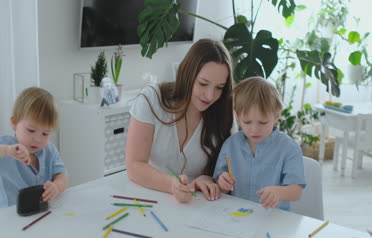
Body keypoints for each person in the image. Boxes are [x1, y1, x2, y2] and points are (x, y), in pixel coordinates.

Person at [126, 39, 234, 203]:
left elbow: (221, 173)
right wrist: (171, 185)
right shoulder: (152, 99)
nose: (210, 96)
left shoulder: (223, 114)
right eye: (203, 84)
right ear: (187, 74)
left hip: (195, 206)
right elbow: (135, 165)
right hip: (147, 199)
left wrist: (207, 180)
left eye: (219, 87)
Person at [214, 77, 305, 210]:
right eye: (247, 122)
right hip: (237, 216)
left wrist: (280, 192)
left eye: (263, 122)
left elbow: (296, 191)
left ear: (276, 116)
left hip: (273, 218)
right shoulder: (230, 145)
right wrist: (222, 184)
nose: (254, 129)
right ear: (238, 117)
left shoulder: (289, 148)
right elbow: (219, 183)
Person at [0, 87, 68, 209]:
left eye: (45, 134)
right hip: (9, 219)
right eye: (31, 130)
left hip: (41, 214)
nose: (37, 139)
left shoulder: (49, 150)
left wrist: (57, 186)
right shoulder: (6, 147)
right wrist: (6, 151)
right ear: (14, 123)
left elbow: (62, 175)